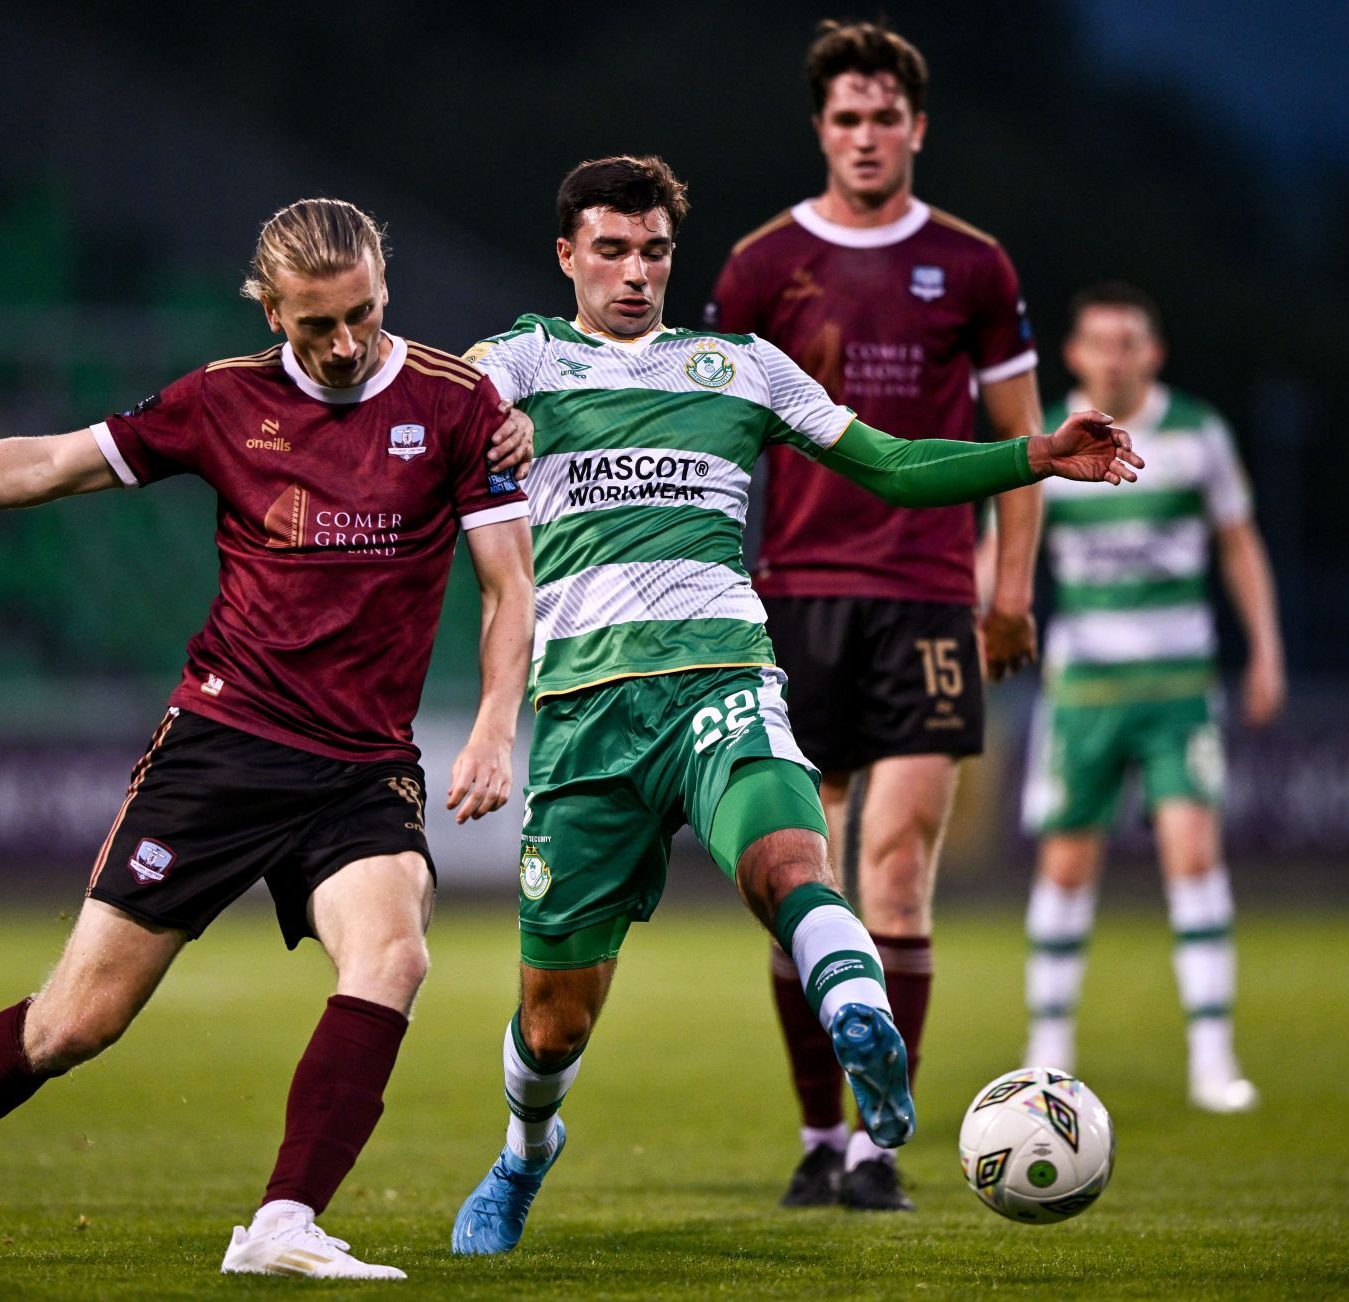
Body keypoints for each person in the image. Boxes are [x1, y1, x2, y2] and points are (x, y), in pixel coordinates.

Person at [0, 198, 537, 1281]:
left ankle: (281, 1224)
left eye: (362, 314)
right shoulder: (221, 402)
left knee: (395, 953)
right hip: (223, 748)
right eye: (315, 323)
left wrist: (498, 725)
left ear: (384, 290)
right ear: (271, 308)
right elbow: (43, 466)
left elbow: (511, 587)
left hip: (362, 765)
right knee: (76, 1023)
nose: (345, 342)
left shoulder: (457, 404)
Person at [448, 154, 1140, 1256]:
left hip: (725, 680)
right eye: (613, 250)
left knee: (793, 869)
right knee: (553, 1018)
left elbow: (897, 468)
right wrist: (481, 429)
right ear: (569, 255)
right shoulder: (516, 361)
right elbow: (420, 418)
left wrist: (1035, 456)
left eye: (656, 251)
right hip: (584, 714)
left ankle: (858, 1020)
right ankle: (525, 1152)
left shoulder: (744, 368)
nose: (636, 272)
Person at [705, 19, 1048, 1212]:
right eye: (845, 118)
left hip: (925, 601)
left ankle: (876, 1147)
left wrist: (1008, 590)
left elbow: (1020, 435)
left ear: (917, 128)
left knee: (896, 871)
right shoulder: (757, 267)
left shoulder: (975, 266)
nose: (865, 136)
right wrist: (717, 573)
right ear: (821, 130)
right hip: (792, 599)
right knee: (805, 878)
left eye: (884, 117)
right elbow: (713, 439)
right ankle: (817, 1135)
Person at [1021, 282, 1283, 1113]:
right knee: (1066, 864)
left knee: (1194, 854)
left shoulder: (1200, 435)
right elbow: (1011, 553)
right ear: (1074, 353)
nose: (1113, 355)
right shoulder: (1053, 442)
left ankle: (1212, 1057)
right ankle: (1048, 1047)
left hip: (1178, 687)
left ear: (1152, 353)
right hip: (1084, 687)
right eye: (1098, 341)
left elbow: (1240, 546)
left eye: (1128, 341)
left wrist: (1266, 652)